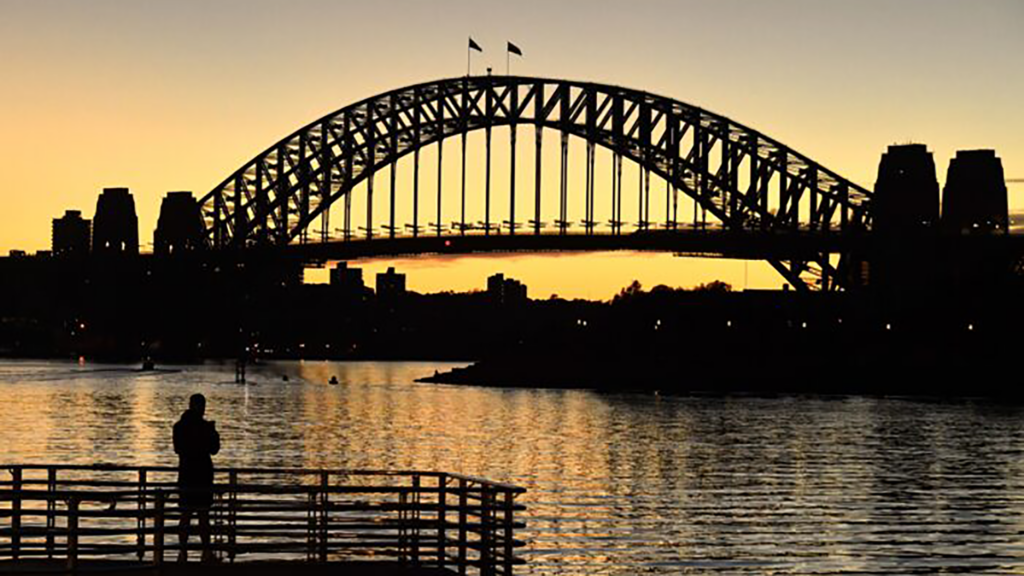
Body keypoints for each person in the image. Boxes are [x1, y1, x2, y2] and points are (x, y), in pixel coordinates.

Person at [173, 393, 220, 563]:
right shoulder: (203, 427)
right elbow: (214, 449)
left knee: (187, 515)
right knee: (202, 515)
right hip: (202, 475)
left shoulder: (179, 426)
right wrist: (210, 434)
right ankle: (204, 551)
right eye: (201, 406)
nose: (203, 409)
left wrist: (210, 434)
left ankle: (183, 552)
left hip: (187, 475)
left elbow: (179, 449)